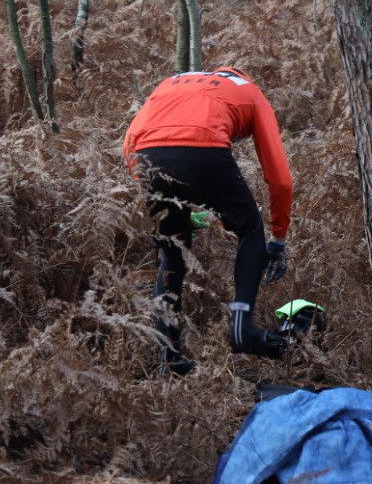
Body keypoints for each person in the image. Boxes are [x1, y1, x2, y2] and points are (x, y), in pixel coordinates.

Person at [122, 67, 293, 375]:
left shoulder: (170, 82)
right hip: (205, 147)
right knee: (251, 228)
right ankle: (242, 328)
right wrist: (278, 237)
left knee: (172, 249)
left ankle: (169, 359)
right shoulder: (251, 93)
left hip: (146, 155)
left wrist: (172, 209)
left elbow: (129, 144)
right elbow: (280, 180)